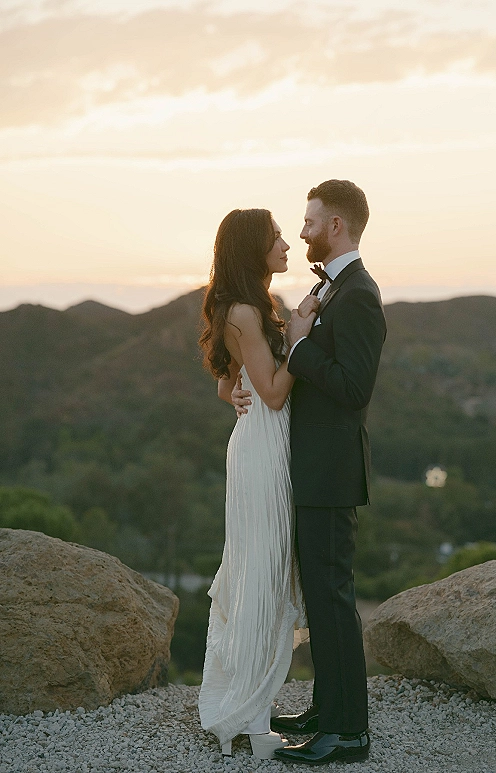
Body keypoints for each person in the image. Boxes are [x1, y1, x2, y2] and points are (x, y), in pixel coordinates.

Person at [233, 180, 387, 766]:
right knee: (321, 599)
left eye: (309, 222)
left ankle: (349, 734)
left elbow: (354, 387)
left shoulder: (359, 296)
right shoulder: (335, 290)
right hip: (311, 470)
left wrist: (297, 349)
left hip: (330, 473)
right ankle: (327, 709)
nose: (301, 232)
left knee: (333, 599)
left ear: (336, 227)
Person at [197, 208, 315, 759]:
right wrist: (302, 339)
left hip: (260, 447)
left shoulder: (246, 306)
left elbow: (228, 390)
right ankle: (253, 719)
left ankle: (251, 709)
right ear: (254, 248)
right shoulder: (246, 310)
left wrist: (245, 388)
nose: (287, 244)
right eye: (276, 238)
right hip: (263, 451)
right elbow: (270, 392)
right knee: (264, 577)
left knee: (261, 571)